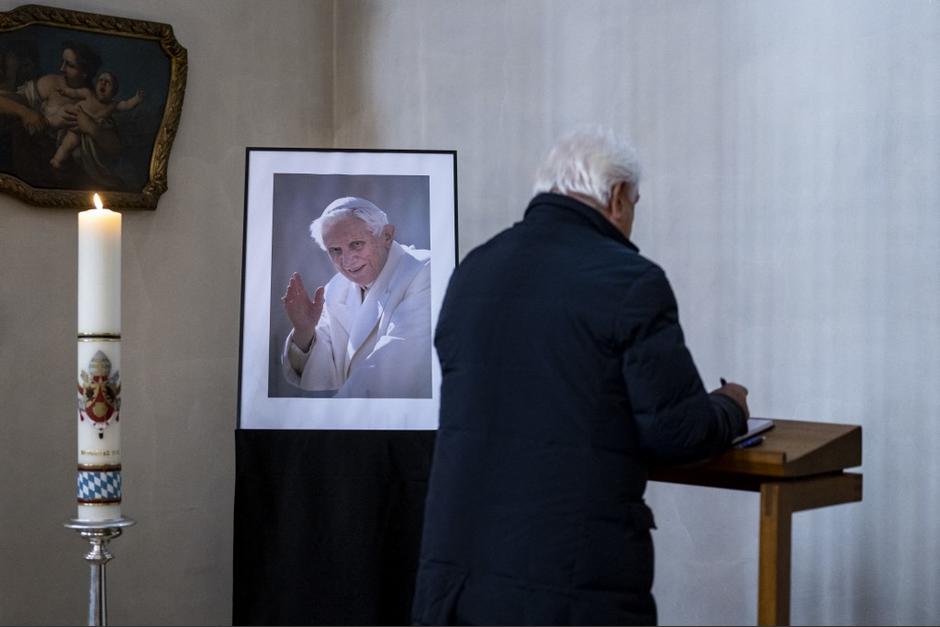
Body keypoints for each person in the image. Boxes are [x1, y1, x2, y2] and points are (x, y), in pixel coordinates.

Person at [411, 127, 750, 626]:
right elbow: (678, 432)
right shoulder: (630, 282)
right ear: (615, 197)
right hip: (569, 581)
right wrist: (731, 407)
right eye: (635, 202)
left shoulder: (475, 271)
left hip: (460, 578)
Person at [280, 196, 432, 398]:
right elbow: (324, 375)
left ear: (387, 236)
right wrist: (304, 332)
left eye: (356, 244)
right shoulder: (336, 289)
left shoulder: (424, 269)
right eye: (335, 250)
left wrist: (337, 419)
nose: (346, 260)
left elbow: (393, 367)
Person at [50, 70, 143, 169]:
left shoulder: (112, 105)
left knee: (72, 145)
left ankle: (60, 161)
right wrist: (65, 92)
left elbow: (126, 105)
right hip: (74, 123)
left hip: (86, 131)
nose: (103, 83)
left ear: (113, 92)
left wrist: (136, 99)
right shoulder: (88, 94)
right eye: (101, 80)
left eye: (108, 82)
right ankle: (56, 160)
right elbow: (75, 92)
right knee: (67, 144)